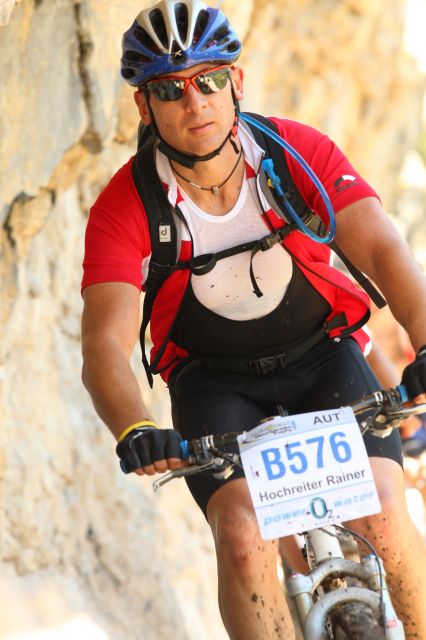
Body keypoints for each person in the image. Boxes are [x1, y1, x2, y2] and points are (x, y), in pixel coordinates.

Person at [81, 1, 426, 637]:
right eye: (170, 90)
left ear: (236, 81)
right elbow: (104, 341)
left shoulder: (295, 153)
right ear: (144, 107)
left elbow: (383, 249)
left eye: (210, 80)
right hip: (214, 384)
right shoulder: (125, 206)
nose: (195, 102)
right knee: (241, 535)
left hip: (324, 356)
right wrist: (134, 425)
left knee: (383, 510)